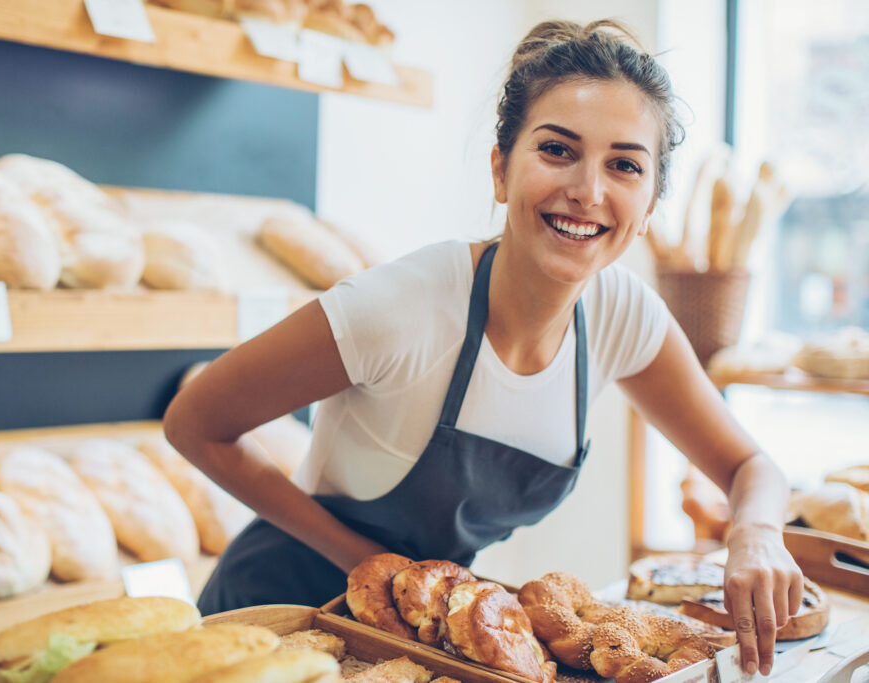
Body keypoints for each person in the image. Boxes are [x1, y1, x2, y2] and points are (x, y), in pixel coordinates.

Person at [164, 19, 802, 677]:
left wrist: (754, 534)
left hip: (421, 635)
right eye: (557, 150)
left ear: (646, 208)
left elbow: (751, 466)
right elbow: (194, 421)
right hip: (277, 621)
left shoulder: (623, 316)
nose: (588, 189)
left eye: (624, 165)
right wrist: (368, 565)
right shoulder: (404, 305)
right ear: (501, 170)